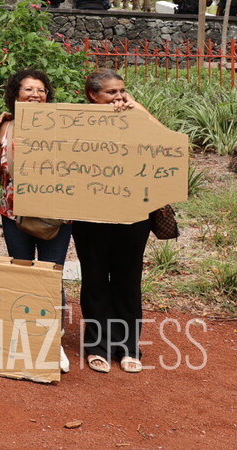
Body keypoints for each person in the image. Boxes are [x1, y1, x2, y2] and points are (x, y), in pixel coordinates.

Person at [0, 69, 72, 372]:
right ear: (15, 94)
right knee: (22, 274)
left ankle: (53, 342)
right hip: (14, 214)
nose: (35, 95)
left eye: (40, 90)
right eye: (28, 90)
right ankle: (24, 338)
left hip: (55, 217)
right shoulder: (7, 126)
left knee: (51, 277)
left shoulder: (64, 125)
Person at [74, 68, 156, 375]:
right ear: (93, 95)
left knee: (127, 279)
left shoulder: (136, 117)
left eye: (122, 90)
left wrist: (137, 108)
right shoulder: (76, 122)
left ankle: (128, 347)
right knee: (94, 278)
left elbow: (168, 143)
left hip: (134, 214)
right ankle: (97, 346)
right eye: (111, 92)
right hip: (91, 215)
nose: (119, 96)